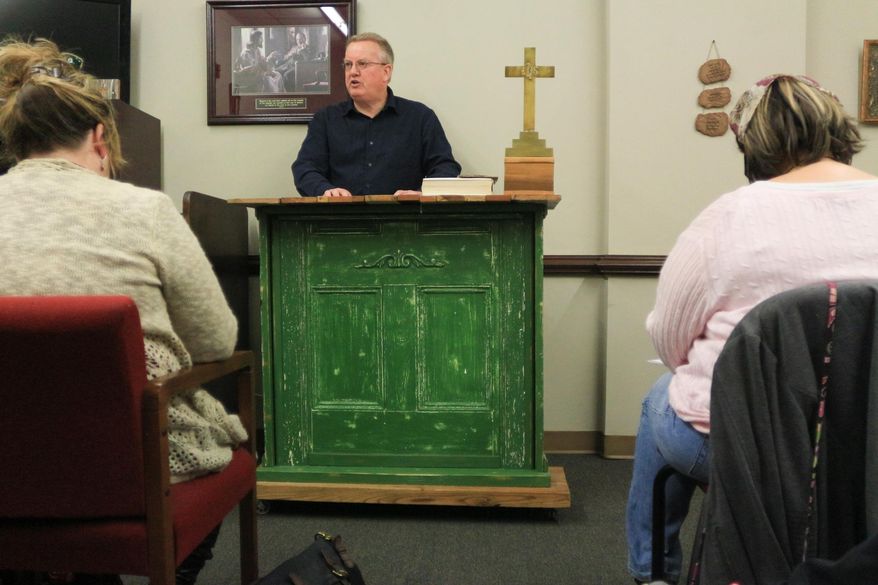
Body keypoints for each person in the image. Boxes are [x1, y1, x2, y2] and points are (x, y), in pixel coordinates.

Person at [0, 38, 245, 585]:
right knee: (213, 442)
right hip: (134, 467)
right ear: (99, 137)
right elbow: (215, 343)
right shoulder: (145, 210)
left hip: (8, 467)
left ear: (15, 140)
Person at [626, 74, 878, 585]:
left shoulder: (730, 217)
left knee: (660, 395)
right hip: (868, 446)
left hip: (745, 448)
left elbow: (671, 340)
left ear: (752, 143)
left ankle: (653, 571)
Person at [292, 32, 461, 197]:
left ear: (386, 72)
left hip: (405, 218)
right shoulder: (326, 120)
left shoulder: (420, 118)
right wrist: (324, 190)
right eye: (348, 64)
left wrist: (421, 194)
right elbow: (305, 169)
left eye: (362, 64)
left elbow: (445, 167)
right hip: (341, 219)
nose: (353, 72)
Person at [234, 28, 284, 94]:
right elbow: (251, 70)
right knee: (268, 79)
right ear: (255, 39)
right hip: (250, 78)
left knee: (278, 75)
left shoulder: (257, 50)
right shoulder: (246, 53)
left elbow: (263, 62)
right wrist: (267, 61)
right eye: (261, 38)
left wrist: (270, 57)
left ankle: (281, 95)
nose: (262, 40)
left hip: (259, 74)